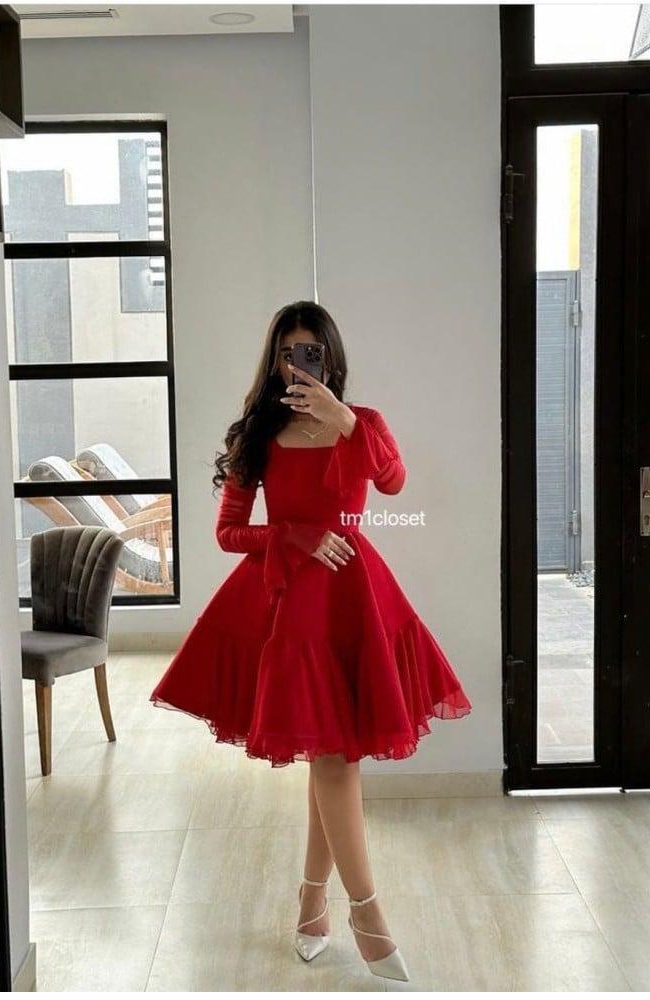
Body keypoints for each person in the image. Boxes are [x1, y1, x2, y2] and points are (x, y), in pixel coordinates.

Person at [149, 301, 472, 982]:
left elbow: (393, 482)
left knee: (334, 755)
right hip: (290, 605)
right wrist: (293, 535)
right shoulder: (258, 434)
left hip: (355, 600)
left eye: (311, 351)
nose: (298, 363)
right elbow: (228, 532)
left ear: (330, 356)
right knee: (333, 757)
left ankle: (312, 901)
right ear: (274, 360)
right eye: (288, 352)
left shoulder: (365, 423)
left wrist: (345, 420)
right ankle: (367, 912)